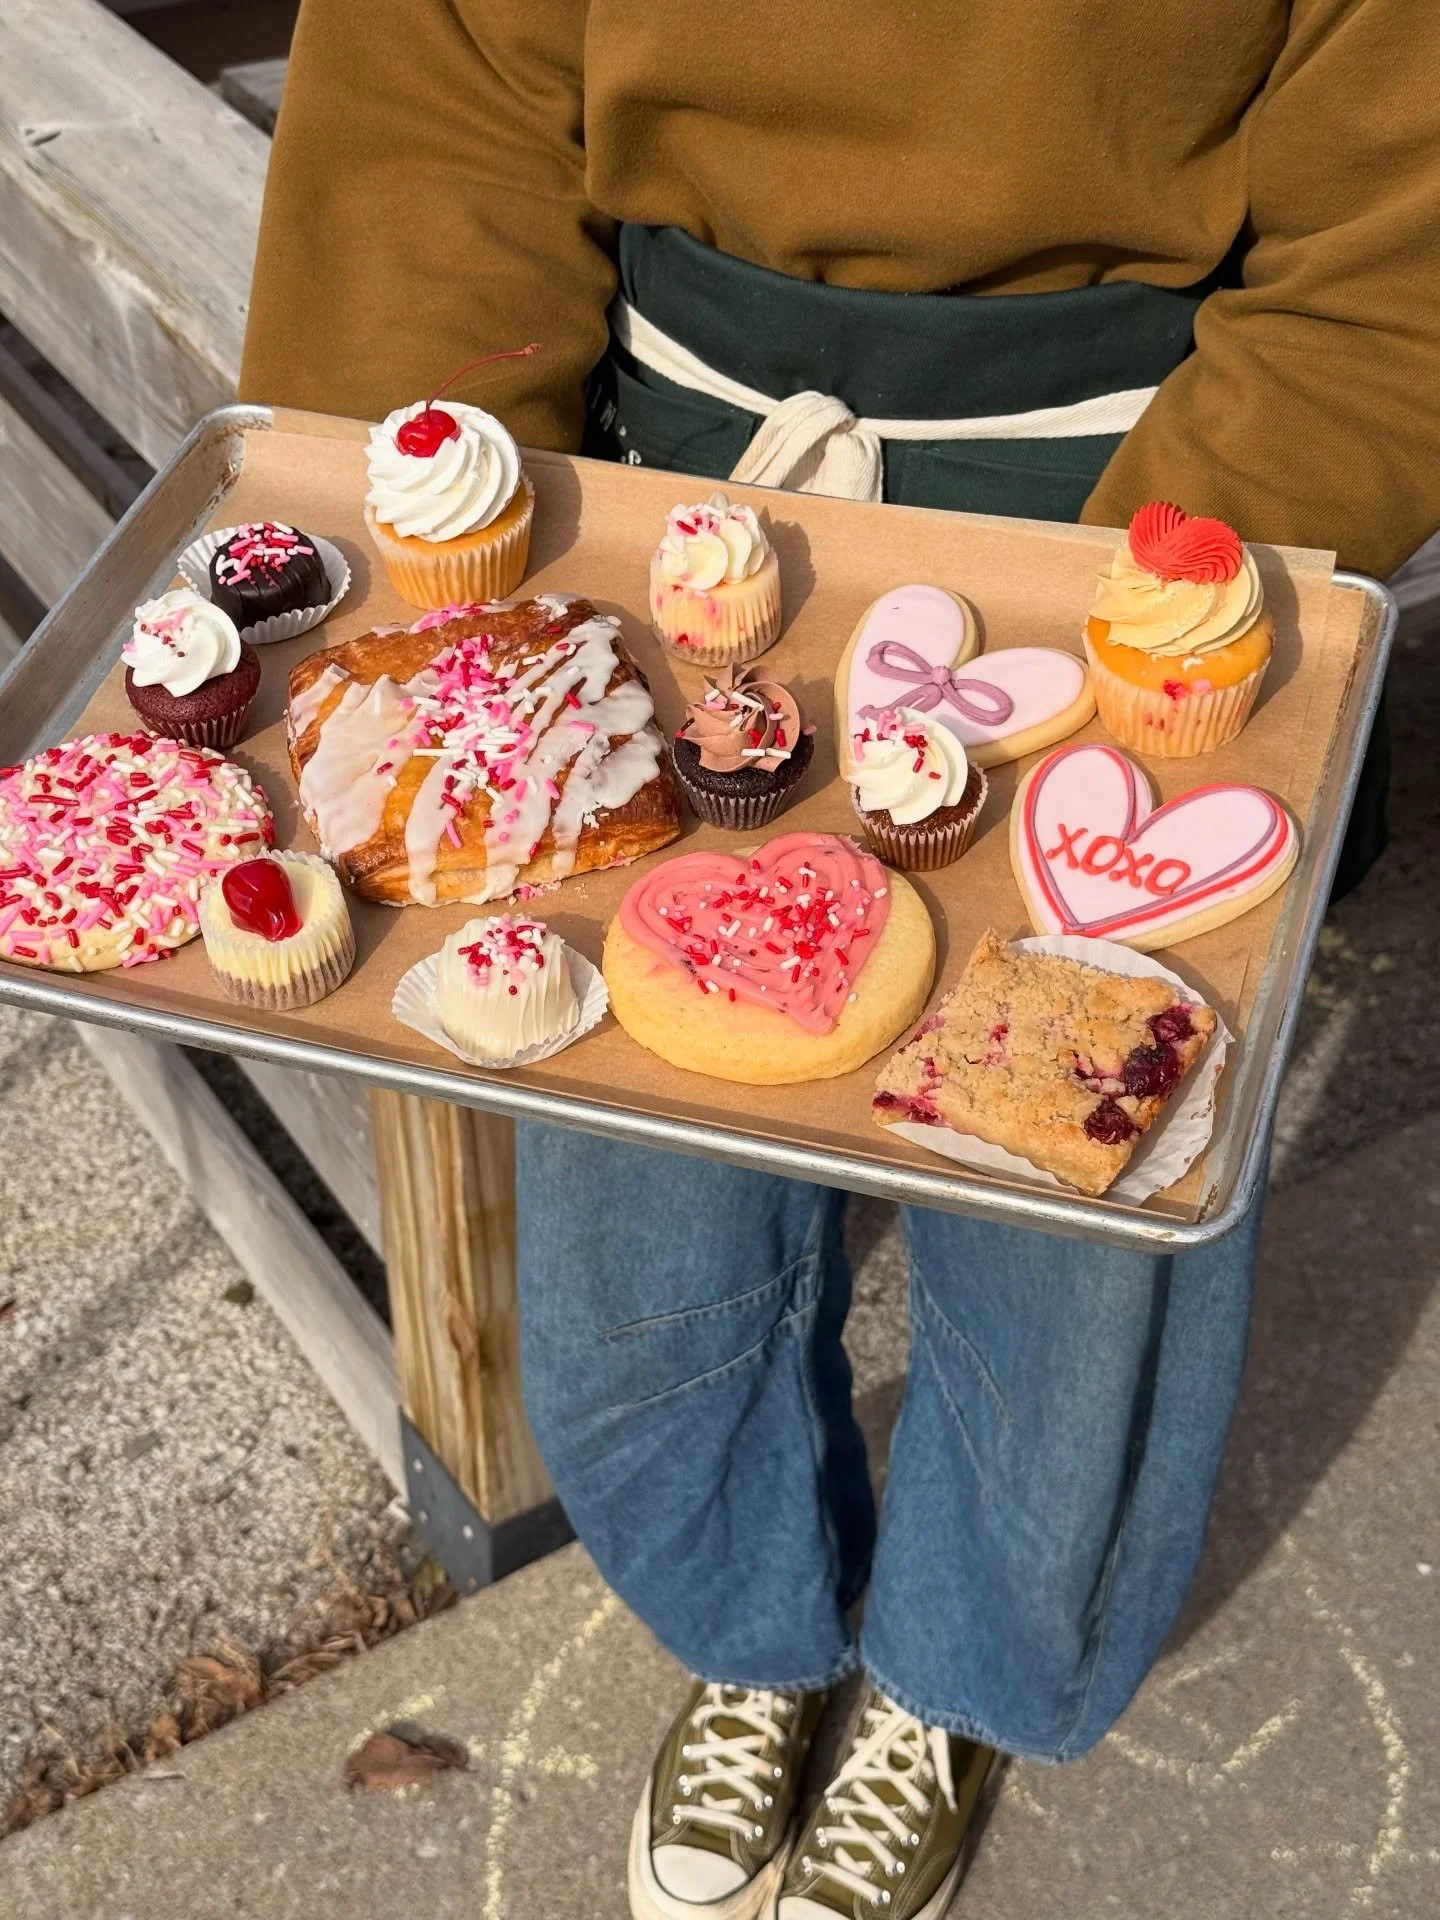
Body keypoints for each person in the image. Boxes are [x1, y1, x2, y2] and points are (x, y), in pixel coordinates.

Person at [241, 4, 1439, 1915]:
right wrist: (453, 520)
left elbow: (1400, 221)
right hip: (661, 540)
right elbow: (436, 114)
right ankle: (750, 1625)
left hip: (1130, 548)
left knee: (1063, 1188)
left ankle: (957, 1678)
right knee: (647, 1162)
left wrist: (1164, 592)